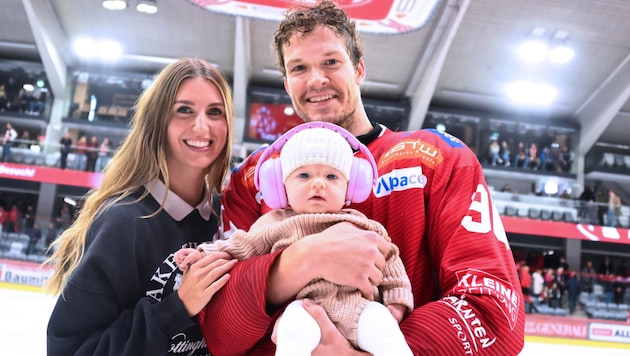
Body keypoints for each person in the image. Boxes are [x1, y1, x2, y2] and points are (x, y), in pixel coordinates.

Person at [198, 1, 525, 355]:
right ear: (287, 83)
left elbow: (494, 310)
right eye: (299, 68)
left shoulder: (438, 159)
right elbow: (219, 332)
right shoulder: (254, 178)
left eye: (331, 62)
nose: (316, 79)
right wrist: (300, 261)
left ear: (358, 69)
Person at [43, 58, 238, 356]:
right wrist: (177, 308)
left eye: (215, 112)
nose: (202, 125)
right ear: (158, 120)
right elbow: (71, 350)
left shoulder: (228, 220)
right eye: (184, 110)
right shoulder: (122, 222)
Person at [177, 123, 413, 356]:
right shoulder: (274, 223)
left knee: (385, 327)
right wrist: (203, 254)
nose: (318, 183)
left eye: (332, 176)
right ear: (281, 187)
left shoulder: (362, 225)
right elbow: (239, 247)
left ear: (351, 188)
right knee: (293, 331)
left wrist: (397, 302)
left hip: (359, 309)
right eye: (304, 174)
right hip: (303, 308)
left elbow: (391, 260)